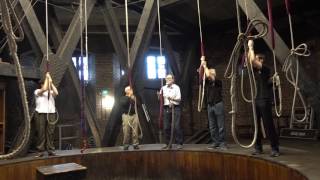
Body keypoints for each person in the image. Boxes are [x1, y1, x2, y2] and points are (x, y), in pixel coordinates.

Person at [249, 51, 280, 157]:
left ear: (261, 60)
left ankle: (275, 148)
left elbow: (252, 60)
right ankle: (258, 148)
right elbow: (250, 60)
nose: (256, 61)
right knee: (255, 125)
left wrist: (250, 46)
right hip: (256, 100)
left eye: (258, 59)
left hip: (264, 99)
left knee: (268, 125)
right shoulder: (254, 71)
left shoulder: (266, 69)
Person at [200, 56, 227, 150]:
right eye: (212, 72)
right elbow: (202, 78)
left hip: (218, 105)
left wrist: (205, 66)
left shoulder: (218, 82)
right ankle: (216, 142)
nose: (212, 73)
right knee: (212, 127)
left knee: (221, 126)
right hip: (210, 106)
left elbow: (209, 76)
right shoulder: (206, 83)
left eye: (213, 72)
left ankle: (222, 143)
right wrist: (202, 65)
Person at [34, 72, 59, 156]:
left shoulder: (51, 93)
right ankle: (40, 151)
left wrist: (51, 82)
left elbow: (56, 92)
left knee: (50, 132)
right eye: (46, 84)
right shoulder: (37, 91)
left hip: (51, 113)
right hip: (40, 113)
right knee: (41, 132)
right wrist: (47, 78)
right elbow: (44, 89)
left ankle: (51, 150)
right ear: (41, 84)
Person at [161, 74, 183, 149]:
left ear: (173, 80)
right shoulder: (163, 88)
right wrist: (159, 96)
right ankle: (167, 143)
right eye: (167, 78)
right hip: (166, 108)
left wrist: (172, 99)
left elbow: (179, 99)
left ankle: (179, 143)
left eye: (170, 78)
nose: (168, 80)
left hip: (175, 108)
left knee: (176, 126)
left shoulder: (176, 87)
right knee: (166, 127)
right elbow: (161, 99)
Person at [120, 86, 140, 150]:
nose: (132, 91)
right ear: (127, 91)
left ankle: (135, 144)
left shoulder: (134, 98)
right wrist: (129, 97)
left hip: (134, 115)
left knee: (135, 130)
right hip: (126, 115)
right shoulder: (123, 98)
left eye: (131, 89)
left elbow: (138, 105)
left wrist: (133, 99)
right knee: (126, 130)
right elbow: (124, 103)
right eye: (130, 90)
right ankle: (126, 145)